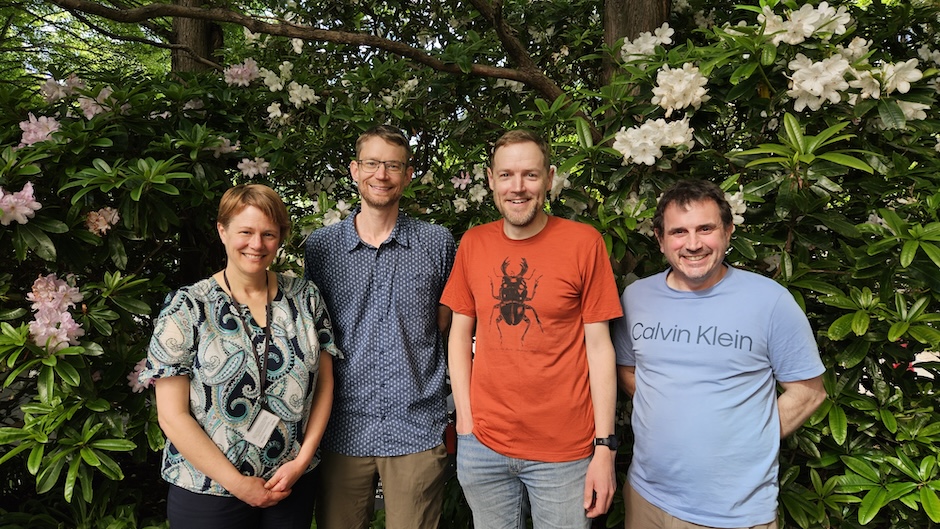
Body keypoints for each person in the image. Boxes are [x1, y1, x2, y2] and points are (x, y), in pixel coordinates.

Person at [612, 179, 827, 529]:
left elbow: (809, 391)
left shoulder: (769, 301)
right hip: (645, 498)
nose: (693, 244)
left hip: (732, 511)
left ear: (728, 231)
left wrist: (743, 441)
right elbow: (628, 370)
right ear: (660, 238)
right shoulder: (637, 298)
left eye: (706, 229)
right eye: (679, 231)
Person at [440, 129, 622, 528]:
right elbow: (458, 334)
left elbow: (600, 348)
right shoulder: (473, 243)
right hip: (483, 443)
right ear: (490, 179)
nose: (517, 187)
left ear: (550, 177)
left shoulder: (584, 243)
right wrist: (466, 422)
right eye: (506, 175)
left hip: (565, 449)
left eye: (530, 175)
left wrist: (604, 446)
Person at [140, 184, 340, 529]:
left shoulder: (305, 297)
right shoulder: (187, 307)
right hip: (209, 491)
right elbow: (172, 416)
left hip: (289, 482)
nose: (257, 245)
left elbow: (324, 384)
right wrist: (239, 485)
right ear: (222, 230)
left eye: (268, 234)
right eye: (245, 232)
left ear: (281, 238)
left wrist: (301, 461)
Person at [304, 125, 456, 529]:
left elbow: (445, 325)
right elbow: (313, 333)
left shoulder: (437, 243)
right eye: (372, 163)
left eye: (393, 165)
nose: (382, 174)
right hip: (341, 429)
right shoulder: (321, 247)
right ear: (354, 170)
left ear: (408, 174)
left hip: (417, 428)